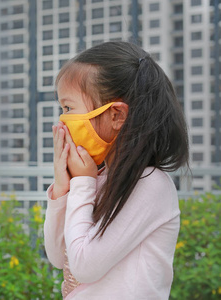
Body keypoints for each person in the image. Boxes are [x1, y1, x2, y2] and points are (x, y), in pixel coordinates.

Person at [43, 41, 189, 299]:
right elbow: (59, 256)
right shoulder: (99, 178)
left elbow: (84, 267)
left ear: (116, 116)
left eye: (68, 108)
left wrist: (83, 183)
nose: (63, 121)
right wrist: (64, 188)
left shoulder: (149, 184)